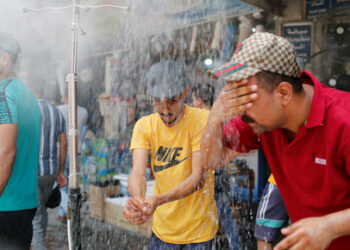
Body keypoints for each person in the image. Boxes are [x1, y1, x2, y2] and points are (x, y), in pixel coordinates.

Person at [200, 32, 350, 250]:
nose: (239, 109)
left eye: (246, 98)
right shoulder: (262, 122)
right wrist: (215, 117)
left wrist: (329, 226)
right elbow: (210, 160)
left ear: (283, 93)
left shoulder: (344, 120)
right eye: (234, 96)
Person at [123, 60, 218, 249]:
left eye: (172, 101)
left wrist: (158, 200)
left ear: (184, 92)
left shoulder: (201, 120)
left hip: (198, 234)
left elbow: (198, 178)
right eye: (158, 101)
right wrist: (138, 202)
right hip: (162, 232)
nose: (165, 110)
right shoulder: (144, 126)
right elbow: (138, 173)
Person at [0, 32, 41, 249]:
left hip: (5, 204)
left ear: (5, 58)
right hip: (25, 202)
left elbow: (7, 152)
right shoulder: (27, 94)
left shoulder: (3, 94)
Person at [191, 82, 240, 249]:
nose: (191, 104)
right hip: (221, 173)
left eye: (193, 100)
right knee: (225, 217)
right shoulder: (217, 115)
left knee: (207, 217)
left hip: (211, 175)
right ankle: (236, 246)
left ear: (199, 100)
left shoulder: (204, 119)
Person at [27, 78, 67, 250]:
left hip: (32, 171)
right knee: (41, 210)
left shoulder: (27, 111)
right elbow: (63, 143)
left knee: (34, 215)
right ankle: (39, 240)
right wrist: (60, 171)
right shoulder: (56, 112)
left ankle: (38, 245)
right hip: (50, 171)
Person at [56, 92, 88, 222]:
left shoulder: (58, 110)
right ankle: (63, 214)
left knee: (60, 184)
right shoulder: (84, 112)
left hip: (62, 153)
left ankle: (67, 208)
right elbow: (83, 131)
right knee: (72, 185)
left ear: (65, 96)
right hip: (77, 153)